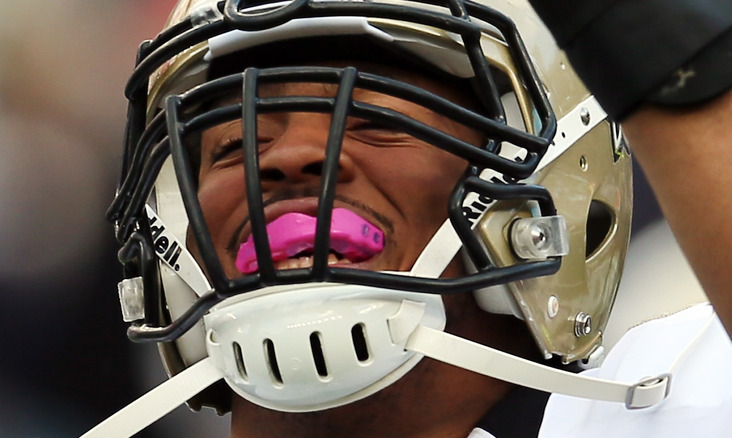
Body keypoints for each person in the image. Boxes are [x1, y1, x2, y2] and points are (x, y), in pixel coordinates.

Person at [83, 0, 732, 436]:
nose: (290, 158)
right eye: (232, 145)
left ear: (535, 186)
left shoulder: (678, 404)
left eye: (370, 120)